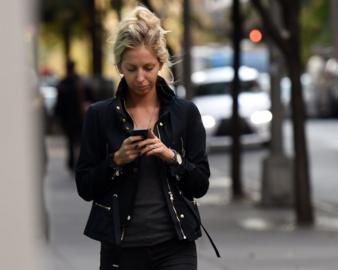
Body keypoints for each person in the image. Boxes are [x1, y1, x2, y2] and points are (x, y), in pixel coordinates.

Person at [75, 6, 218, 270]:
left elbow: (200, 184)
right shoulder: (99, 116)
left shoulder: (185, 113)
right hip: (121, 249)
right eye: (131, 69)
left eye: (148, 67)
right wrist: (116, 161)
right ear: (119, 66)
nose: (140, 78)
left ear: (161, 63)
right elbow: (85, 187)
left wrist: (171, 157)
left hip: (176, 245)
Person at [55, 60, 92, 171]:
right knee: (81, 140)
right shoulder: (80, 81)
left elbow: (59, 104)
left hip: (68, 117)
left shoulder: (63, 83)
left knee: (70, 141)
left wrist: (58, 117)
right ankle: (81, 161)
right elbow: (90, 98)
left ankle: (72, 162)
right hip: (80, 116)